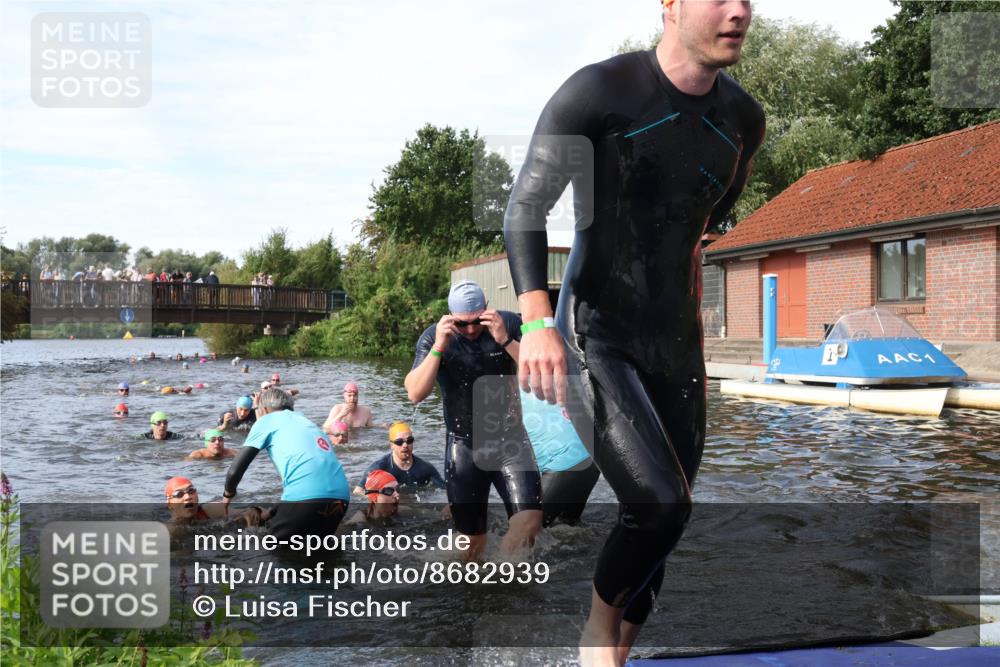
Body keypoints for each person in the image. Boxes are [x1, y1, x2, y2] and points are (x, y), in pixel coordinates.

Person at [503, 1, 764, 663]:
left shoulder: (743, 119)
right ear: (670, 5)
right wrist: (536, 321)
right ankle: (594, 633)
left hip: (679, 345)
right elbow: (525, 209)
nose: (739, 11)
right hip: (599, 333)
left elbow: (707, 219)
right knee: (660, 505)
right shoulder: (601, 91)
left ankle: (613, 655)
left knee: (663, 524)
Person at [404, 280, 542, 560]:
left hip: (510, 440)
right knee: (471, 543)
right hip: (464, 446)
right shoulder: (434, 336)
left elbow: (538, 373)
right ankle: (474, 589)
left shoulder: (508, 325)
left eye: (476, 321)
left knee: (529, 523)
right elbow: (415, 393)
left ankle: (503, 575)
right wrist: (439, 347)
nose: (470, 330)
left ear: (487, 309)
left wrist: (504, 339)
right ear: (450, 317)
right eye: (461, 324)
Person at [222, 388, 350, 540]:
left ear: (264, 409)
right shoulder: (308, 423)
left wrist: (227, 497)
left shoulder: (266, 421)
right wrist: (272, 512)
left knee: (274, 553)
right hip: (341, 498)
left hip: (306, 498)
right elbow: (309, 477)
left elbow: (234, 471)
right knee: (322, 553)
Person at [520, 390, 599, 527]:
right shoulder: (540, 379)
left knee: (525, 531)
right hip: (592, 458)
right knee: (568, 528)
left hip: (564, 465)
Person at [352, 422, 445, 496]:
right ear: (392, 445)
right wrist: (382, 499)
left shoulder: (425, 468)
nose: (405, 445)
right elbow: (358, 491)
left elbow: (445, 490)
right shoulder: (380, 468)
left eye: (409, 441)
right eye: (399, 442)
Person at [164, 476, 268, 537]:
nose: (187, 497)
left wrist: (256, 512)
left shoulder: (209, 510)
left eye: (191, 491)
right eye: (179, 494)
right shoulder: (169, 531)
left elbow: (250, 512)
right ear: (169, 503)